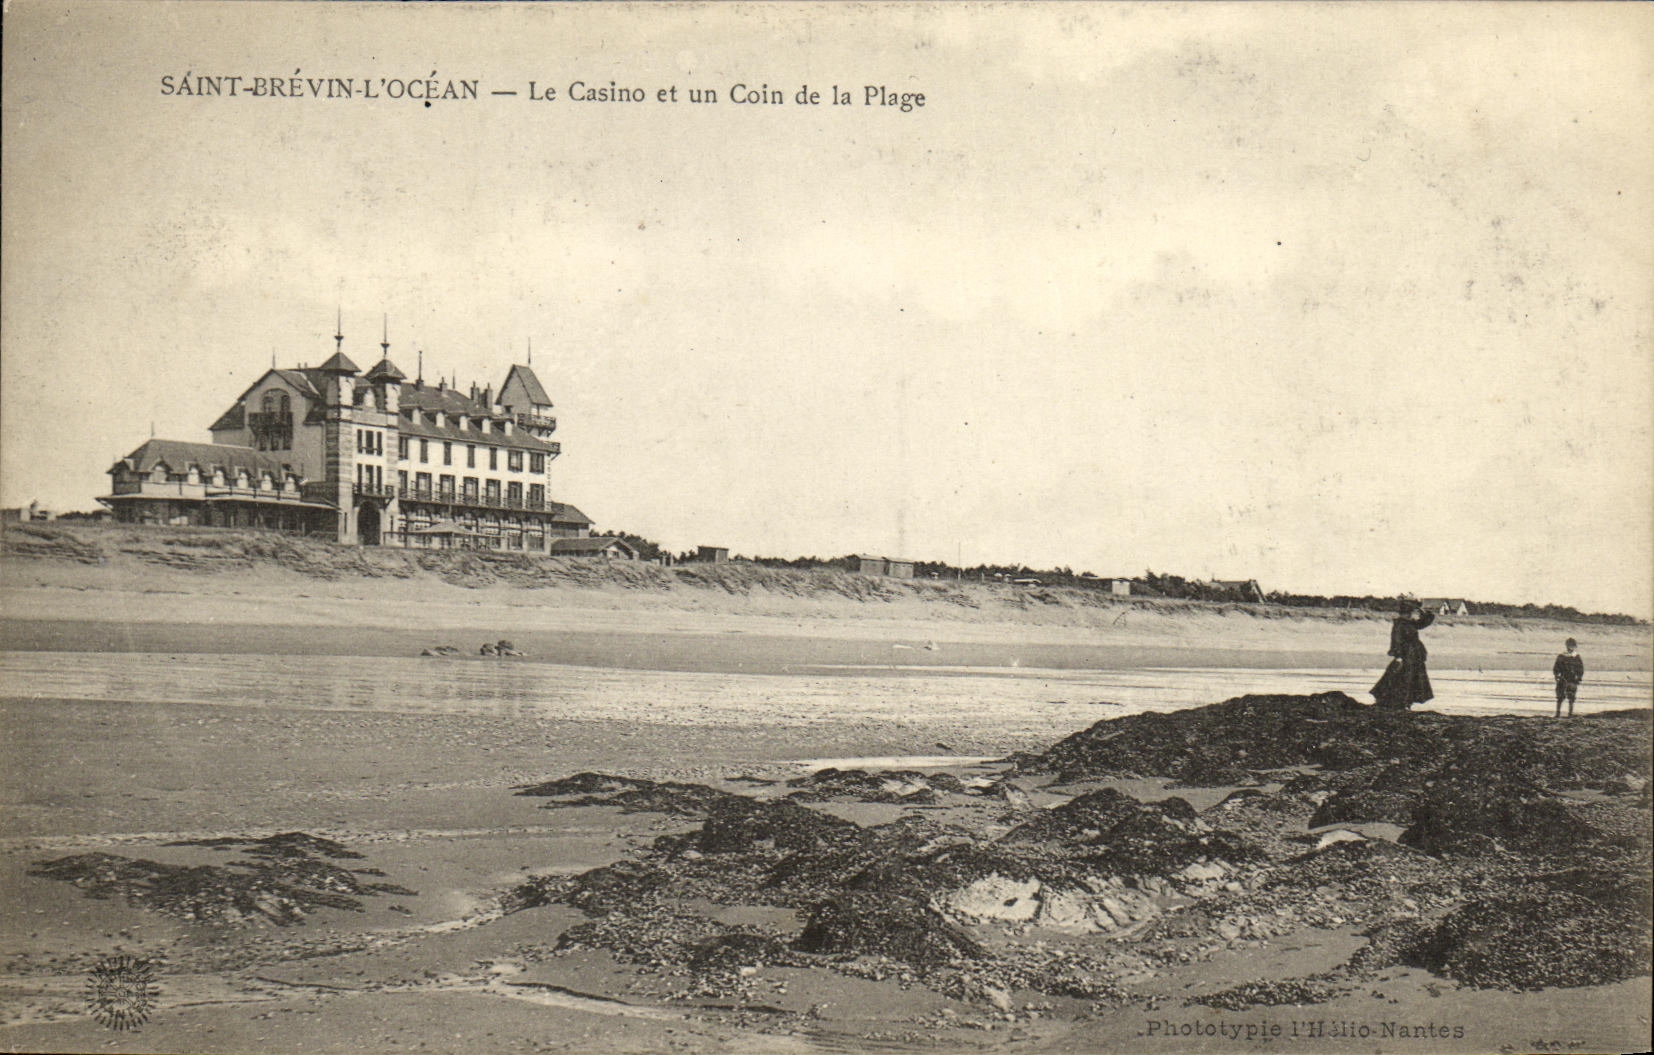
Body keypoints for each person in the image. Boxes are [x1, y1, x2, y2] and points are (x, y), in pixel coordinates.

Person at [1372, 598, 1435, 711]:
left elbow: (1424, 622)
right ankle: (1400, 702)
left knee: (1411, 679)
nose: (1411, 615)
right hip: (1406, 655)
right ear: (1405, 614)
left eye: (1411, 613)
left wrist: (1423, 612)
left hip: (1414, 655)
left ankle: (1406, 702)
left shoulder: (1409, 623)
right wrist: (1398, 656)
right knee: (1404, 679)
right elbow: (1396, 640)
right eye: (1409, 613)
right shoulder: (1400, 624)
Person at [1553, 638, 1585, 717]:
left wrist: (1579, 677)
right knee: (1560, 696)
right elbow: (1556, 667)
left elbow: (1580, 668)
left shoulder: (1577, 657)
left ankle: (1570, 713)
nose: (1571, 648)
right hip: (1563, 678)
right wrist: (1557, 676)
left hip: (1572, 679)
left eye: (1572, 646)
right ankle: (1558, 713)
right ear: (1566, 646)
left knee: (1571, 697)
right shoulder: (1561, 656)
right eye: (1569, 646)